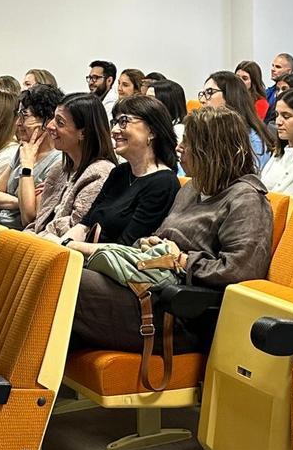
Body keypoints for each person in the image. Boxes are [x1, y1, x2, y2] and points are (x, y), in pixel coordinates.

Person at [68, 105, 272, 353]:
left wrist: (182, 260)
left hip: (177, 310)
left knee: (67, 281)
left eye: (189, 142)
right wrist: (151, 243)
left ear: (212, 150)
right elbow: (163, 237)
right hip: (146, 285)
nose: (179, 148)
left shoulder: (247, 199)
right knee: (62, 270)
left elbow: (241, 271)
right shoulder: (192, 188)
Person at [57, 95, 180, 251]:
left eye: (123, 122)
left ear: (152, 131)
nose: (114, 131)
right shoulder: (119, 173)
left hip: (116, 270)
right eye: (114, 123)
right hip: (88, 257)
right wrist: (60, 247)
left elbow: (125, 249)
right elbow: (86, 224)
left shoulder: (163, 183)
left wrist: (66, 245)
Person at [23, 93, 117, 240]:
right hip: (41, 242)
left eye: (60, 123)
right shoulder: (59, 169)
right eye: (53, 118)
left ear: (83, 133)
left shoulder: (101, 172)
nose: (49, 126)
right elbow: (36, 223)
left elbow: (74, 229)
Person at [0, 85, 65, 229]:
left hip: (19, 233)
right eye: (18, 115)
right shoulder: (23, 149)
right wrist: (21, 202)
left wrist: (27, 167)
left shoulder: (58, 161)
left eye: (25, 116)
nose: (18, 123)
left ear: (48, 120)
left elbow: (29, 217)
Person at [200, 71, 275, 170]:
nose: (203, 100)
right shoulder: (210, 131)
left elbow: (251, 180)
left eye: (209, 92)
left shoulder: (253, 140)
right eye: (203, 94)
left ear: (230, 95)